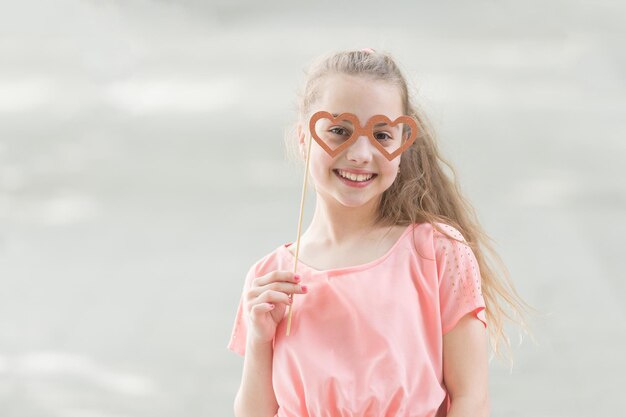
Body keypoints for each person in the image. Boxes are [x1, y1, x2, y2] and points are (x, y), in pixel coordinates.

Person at [227, 49, 529, 417]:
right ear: (304, 138)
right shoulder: (270, 277)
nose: (360, 153)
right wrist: (260, 338)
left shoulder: (436, 251)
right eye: (339, 131)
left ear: (402, 144)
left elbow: (471, 399)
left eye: (382, 135)